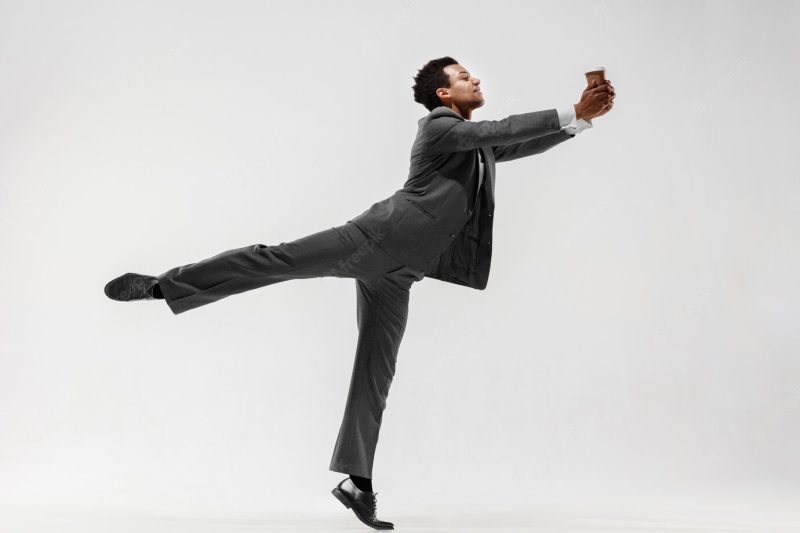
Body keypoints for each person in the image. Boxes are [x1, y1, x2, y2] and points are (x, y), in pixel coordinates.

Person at [104, 56, 615, 530]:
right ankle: (162, 285)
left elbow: (514, 143)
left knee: (376, 371)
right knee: (273, 259)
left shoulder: (473, 143)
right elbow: (501, 130)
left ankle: (357, 481)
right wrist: (570, 108)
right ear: (444, 92)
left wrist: (582, 121)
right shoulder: (440, 127)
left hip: (401, 274)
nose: (476, 80)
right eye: (465, 76)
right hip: (371, 240)